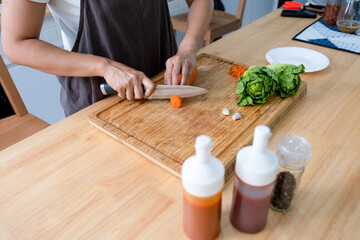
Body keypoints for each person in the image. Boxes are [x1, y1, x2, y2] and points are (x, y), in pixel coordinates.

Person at [1, 0, 213, 116]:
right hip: (100, 102)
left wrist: (188, 48)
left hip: (165, 88)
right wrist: (105, 67)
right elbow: (16, 44)